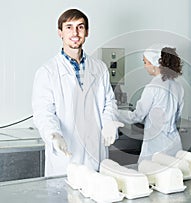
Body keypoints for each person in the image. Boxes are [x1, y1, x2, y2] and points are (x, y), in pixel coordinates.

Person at [32, 8, 123, 177]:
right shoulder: (47, 71)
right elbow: (43, 113)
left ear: (87, 32)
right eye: (69, 27)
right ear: (60, 33)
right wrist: (54, 135)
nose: (75, 32)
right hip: (66, 158)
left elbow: (109, 102)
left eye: (80, 27)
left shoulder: (100, 68)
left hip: (95, 154)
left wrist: (109, 122)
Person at [118, 45, 184, 163]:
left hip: (156, 146)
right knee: (174, 176)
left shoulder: (153, 87)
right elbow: (177, 116)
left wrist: (113, 112)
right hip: (174, 144)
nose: (145, 66)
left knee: (152, 177)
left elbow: (137, 116)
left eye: (145, 62)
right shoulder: (178, 86)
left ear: (154, 63)